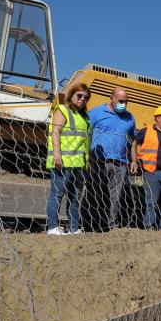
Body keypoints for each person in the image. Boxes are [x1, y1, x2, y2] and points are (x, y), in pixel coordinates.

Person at [85, 87, 137, 230]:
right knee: (94, 193)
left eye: (126, 102)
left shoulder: (130, 117)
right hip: (98, 160)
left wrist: (133, 160)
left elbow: (133, 140)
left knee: (115, 196)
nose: (124, 104)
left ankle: (110, 225)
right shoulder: (97, 112)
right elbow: (85, 132)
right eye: (121, 101)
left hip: (120, 163)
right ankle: (90, 224)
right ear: (112, 98)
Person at [45, 83, 91, 235]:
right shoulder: (63, 110)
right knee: (57, 195)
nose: (82, 99)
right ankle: (52, 227)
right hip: (63, 162)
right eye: (79, 95)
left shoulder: (85, 117)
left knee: (75, 198)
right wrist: (56, 154)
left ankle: (74, 228)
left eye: (85, 97)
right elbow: (55, 132)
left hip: (79, 164)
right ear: (71, 95)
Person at [133, 105, 161, 230]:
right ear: (157, 118)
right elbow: (133, 143)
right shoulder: (146, 131)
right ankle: (149, 226)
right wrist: (134, 161)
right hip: (152, 172)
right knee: (152, 202)